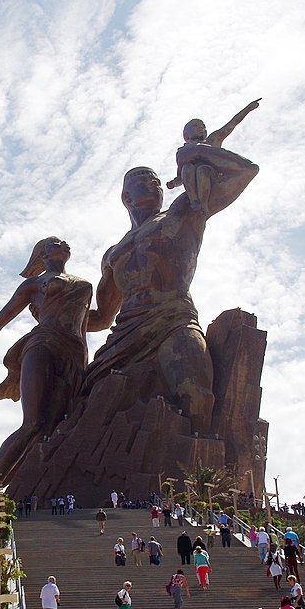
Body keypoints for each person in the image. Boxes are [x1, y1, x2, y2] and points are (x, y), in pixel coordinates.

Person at [84, 125, 261, 436]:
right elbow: (101, 317)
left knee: (198, 397)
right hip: (126, 331)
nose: (151, 184)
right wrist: (57, 322)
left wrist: (196, 151)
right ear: (126, 197)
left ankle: (197, 477)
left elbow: (245, 172)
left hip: (174, 320)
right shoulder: (113, 254)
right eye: (141, 181)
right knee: (86, 404)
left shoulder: (182, 212)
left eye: (154, 181)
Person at [0, 237, 92, 486]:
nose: (64, 243)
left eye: (65, 242)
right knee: (32, 424)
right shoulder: (33, 285)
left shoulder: (85, 284)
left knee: (52, 428)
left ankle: (23, 490)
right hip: (43, 344)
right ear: (41, 256)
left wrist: (83, 370)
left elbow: (83, 329)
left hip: (74, 353)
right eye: (55, 243)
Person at [165, 99, 262, 212]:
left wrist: (248, 109)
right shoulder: (182, 152)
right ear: (186, 136)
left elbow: (231, 124)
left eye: (203, 126)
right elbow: (181, 176)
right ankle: (194, 201)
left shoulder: (211, 141)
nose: (201, 128)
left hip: (210, 174)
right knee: (187, 168)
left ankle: (204, 205)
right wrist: (173, 183)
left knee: (203, 170)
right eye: (196, 126)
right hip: (192, 180)